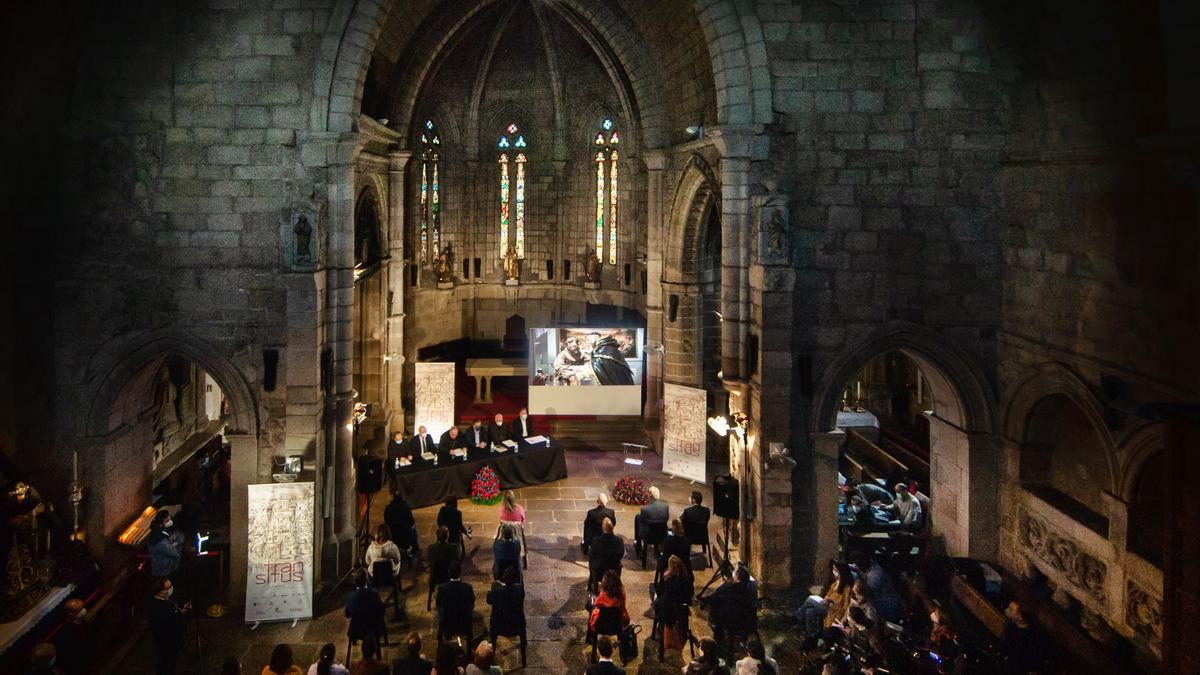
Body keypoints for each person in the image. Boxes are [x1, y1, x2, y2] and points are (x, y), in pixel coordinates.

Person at [794, 560, 853, 642]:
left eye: (835, 569)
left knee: (810, 599)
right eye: (833, 569)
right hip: (826, 605)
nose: (834, 571)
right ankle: (812, 634)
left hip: (834, 611)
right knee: (810, 612)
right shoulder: (836, 582)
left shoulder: (847, 588)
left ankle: (797, 616)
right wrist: (826, 599)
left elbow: (846, 605)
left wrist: (830, 603)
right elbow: (828, 594)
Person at [700, 565, 757, 646]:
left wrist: (719, 588)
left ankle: (718, 640)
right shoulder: (750, 587)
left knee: (715, 605)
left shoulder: (727, 587)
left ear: (737, 576)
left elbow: (711, 598)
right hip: (746, 620)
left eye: (734, 571)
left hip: (730, 621)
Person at [148, 577, 191, 675]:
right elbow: (167, 624)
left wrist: (182, 611)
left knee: (171, 664)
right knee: (167, 666)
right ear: (160, 591)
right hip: (167, 644)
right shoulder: (157, 608)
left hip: (172, 643)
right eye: (168, 587)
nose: (171, 589)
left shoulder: (165, 601)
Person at [486, 567, 527, 668]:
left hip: (499, 626)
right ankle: (524, 658)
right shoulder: (519, 591)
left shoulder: (497, 591)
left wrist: (494, 587)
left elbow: (489, 599)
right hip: (517, 625)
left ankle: (493, 648)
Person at [654, 555, 694, 653]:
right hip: (681, 611)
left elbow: (659, 592)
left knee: (658, 603)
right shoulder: (686, 579)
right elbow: (690, 596)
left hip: (667, 612)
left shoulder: (667, 579)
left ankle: (661, 628)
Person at [850, 552, 904, 623]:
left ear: (865, 560)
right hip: (877, 607)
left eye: (860, 564)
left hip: (887, 607)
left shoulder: (876, 573)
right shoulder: (863, 565)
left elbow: (866, 593)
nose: (858, 567)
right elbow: (853, 567)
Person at [345, 570, 385, 659]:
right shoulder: (374, 594)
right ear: (366, 580)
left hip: (356, 630)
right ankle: (378, 657)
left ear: (355, 582)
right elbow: (381, 610)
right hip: (373, 628)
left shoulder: (351, 596)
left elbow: (347, 614)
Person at [53, 598, 94, 675]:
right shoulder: (66, 633)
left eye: (83, 608)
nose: (84, 611)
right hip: (78, 664)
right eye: (80, 610)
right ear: (71, 614)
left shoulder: (81, 621)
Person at [427, 526, 462, 610]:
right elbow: (457, 561)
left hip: (435, 577)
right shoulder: (453, 547)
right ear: (447, 536)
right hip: (448, 576)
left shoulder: (431, 548)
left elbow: (431, 562)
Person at [436, 567, 475, 643]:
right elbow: (472, 603)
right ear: (460, 573)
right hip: (464, 622)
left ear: (449, 573)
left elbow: (438, 604)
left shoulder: (442, 589)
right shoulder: (467, 587)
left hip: (447, 623)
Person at [587, 518, 624, 593]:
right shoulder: (619, 540)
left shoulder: (596, 541)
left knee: (592, 561)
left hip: (600, 570)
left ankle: (593, 583)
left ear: (602, 528)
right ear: (612, 528)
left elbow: (592, 555)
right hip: (615, 569)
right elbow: (621, 554)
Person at [148, 509, 183, 580]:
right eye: (168, 517)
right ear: (164, 519)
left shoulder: (159, 530)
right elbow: (174, 553)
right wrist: (175, 544)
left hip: (161, 567)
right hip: (163, 570)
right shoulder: (159, 538)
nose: (169, 518)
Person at [634, 486, 669, 554]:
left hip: (648, 536)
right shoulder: (665, 507)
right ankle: (656, 548)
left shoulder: (645, 509)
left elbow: (642, 522)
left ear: (650, 495)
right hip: (662, 535)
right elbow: (666, 519)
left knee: (637, 518)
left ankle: (638, 544)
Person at [657, 518, 693, 584]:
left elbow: (665, 556)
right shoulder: (688, 542)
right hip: (684, 568)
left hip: (669, 567)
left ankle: (661, 585)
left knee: (661, 560)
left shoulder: (668, 541)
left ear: (673, 529)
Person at [384, 491, 420, 556]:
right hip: (405, 537)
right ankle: (416, 549)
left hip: (392, 535)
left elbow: (386, 521)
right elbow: (411, 522)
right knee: (414, 528)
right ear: (401, 498)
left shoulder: (388, 508)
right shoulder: (405, 508)